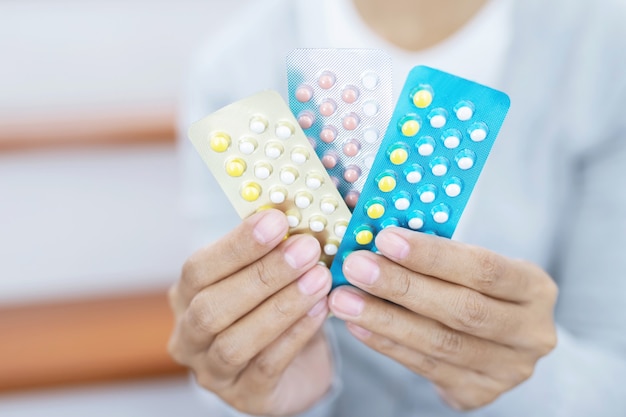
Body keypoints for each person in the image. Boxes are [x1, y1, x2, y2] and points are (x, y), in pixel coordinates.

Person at [169, 0, 626, 415]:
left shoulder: (603, 49)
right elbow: (226, 373)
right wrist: (266, 392)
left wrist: (526, 382)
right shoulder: (234, 66)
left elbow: (611, 374)